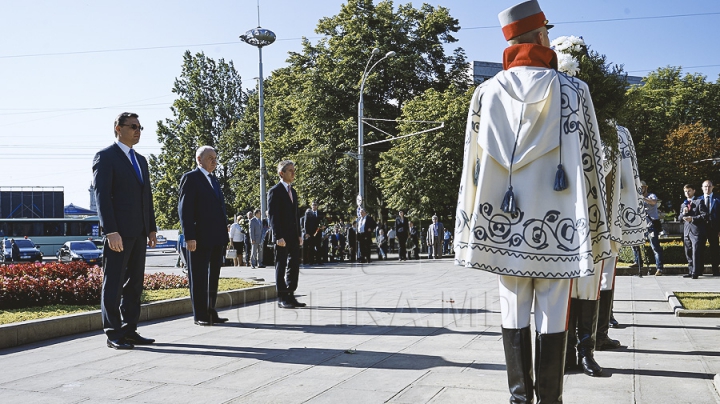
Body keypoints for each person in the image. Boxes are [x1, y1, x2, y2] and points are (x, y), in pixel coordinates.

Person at [454, 2, 611, 401]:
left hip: (503, 226)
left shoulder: (484, 93)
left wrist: (470, 225)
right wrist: (598, 229)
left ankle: (519, 398)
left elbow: (472, 166)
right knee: (554, 316)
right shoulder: (575, 90)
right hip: (560, 227)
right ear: (542, 36)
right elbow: (593, 161)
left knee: (512, 309)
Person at [93, 112, 158, 349]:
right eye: (132, 126)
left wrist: (151, 228)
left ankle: (130, 330)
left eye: (140, 127)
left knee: (134, 285)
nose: (137, 131)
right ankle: (113, 333)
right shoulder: (105, 157)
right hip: (118, 234)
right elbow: (102, 197)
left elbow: (146, 197)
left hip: (139, 233)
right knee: (114, 283)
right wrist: (110, 230)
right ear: (118, 128)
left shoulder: (141, 160)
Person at [178, 146, 230, 326]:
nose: (214, 161)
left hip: (216, 238)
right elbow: (185, 209)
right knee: (199, 277)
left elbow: (220, 209)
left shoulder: (214, 180)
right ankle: (200, 314)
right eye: (210, 158)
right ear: (199, 159)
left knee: (213, 276)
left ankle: (211, 311)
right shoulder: (191, 178)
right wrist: (189, 236)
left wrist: (225, 236)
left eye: (215, 158)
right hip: (198, 238)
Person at [268, 160, 305, 308]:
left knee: (294, 265)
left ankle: (290, 294)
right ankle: (282, 297)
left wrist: (299, 234)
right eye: (290, 170)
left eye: (294, 170)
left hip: (293, 236)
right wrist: (278, 236)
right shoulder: (275, 191)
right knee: (281, 265)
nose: (293, 173)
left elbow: (296, 215)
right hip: (281, 237)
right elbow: (273, 216)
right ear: (281, 173)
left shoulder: (293, 192)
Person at [632, 181, 665, 275]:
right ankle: (638, 261)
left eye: (642, 187)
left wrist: (643, 198)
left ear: (645, 188)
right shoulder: (636, 198)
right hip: (640, 226)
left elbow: (654, 202)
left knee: (655, 247)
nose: (640, 189)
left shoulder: (651, 196)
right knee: (634, 244)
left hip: (651, 226)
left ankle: (659, 268)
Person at [678, 184, 708, 279]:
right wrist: (683, 213)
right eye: (685, 191)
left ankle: (696, 272)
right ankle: (690, 271)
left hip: (696, 231)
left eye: (689, 191)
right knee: (688, 251)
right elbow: (679, 218)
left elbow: (705, 216)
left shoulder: (699, 201)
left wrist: (692, 218)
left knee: (696, 252)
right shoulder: (683, 204)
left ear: (694, 190)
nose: (687, 193)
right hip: (686, 231)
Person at [701, 180, 720, 276]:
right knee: (699, 249)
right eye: (705, 186)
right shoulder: (698, 199)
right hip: (701, 229)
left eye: (709, 186)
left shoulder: (718, 199)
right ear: (702, 188)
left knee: (715, 250)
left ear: (712, 187)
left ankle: (715, 270)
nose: (707, 188)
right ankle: (699, 270)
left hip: (714, 228)